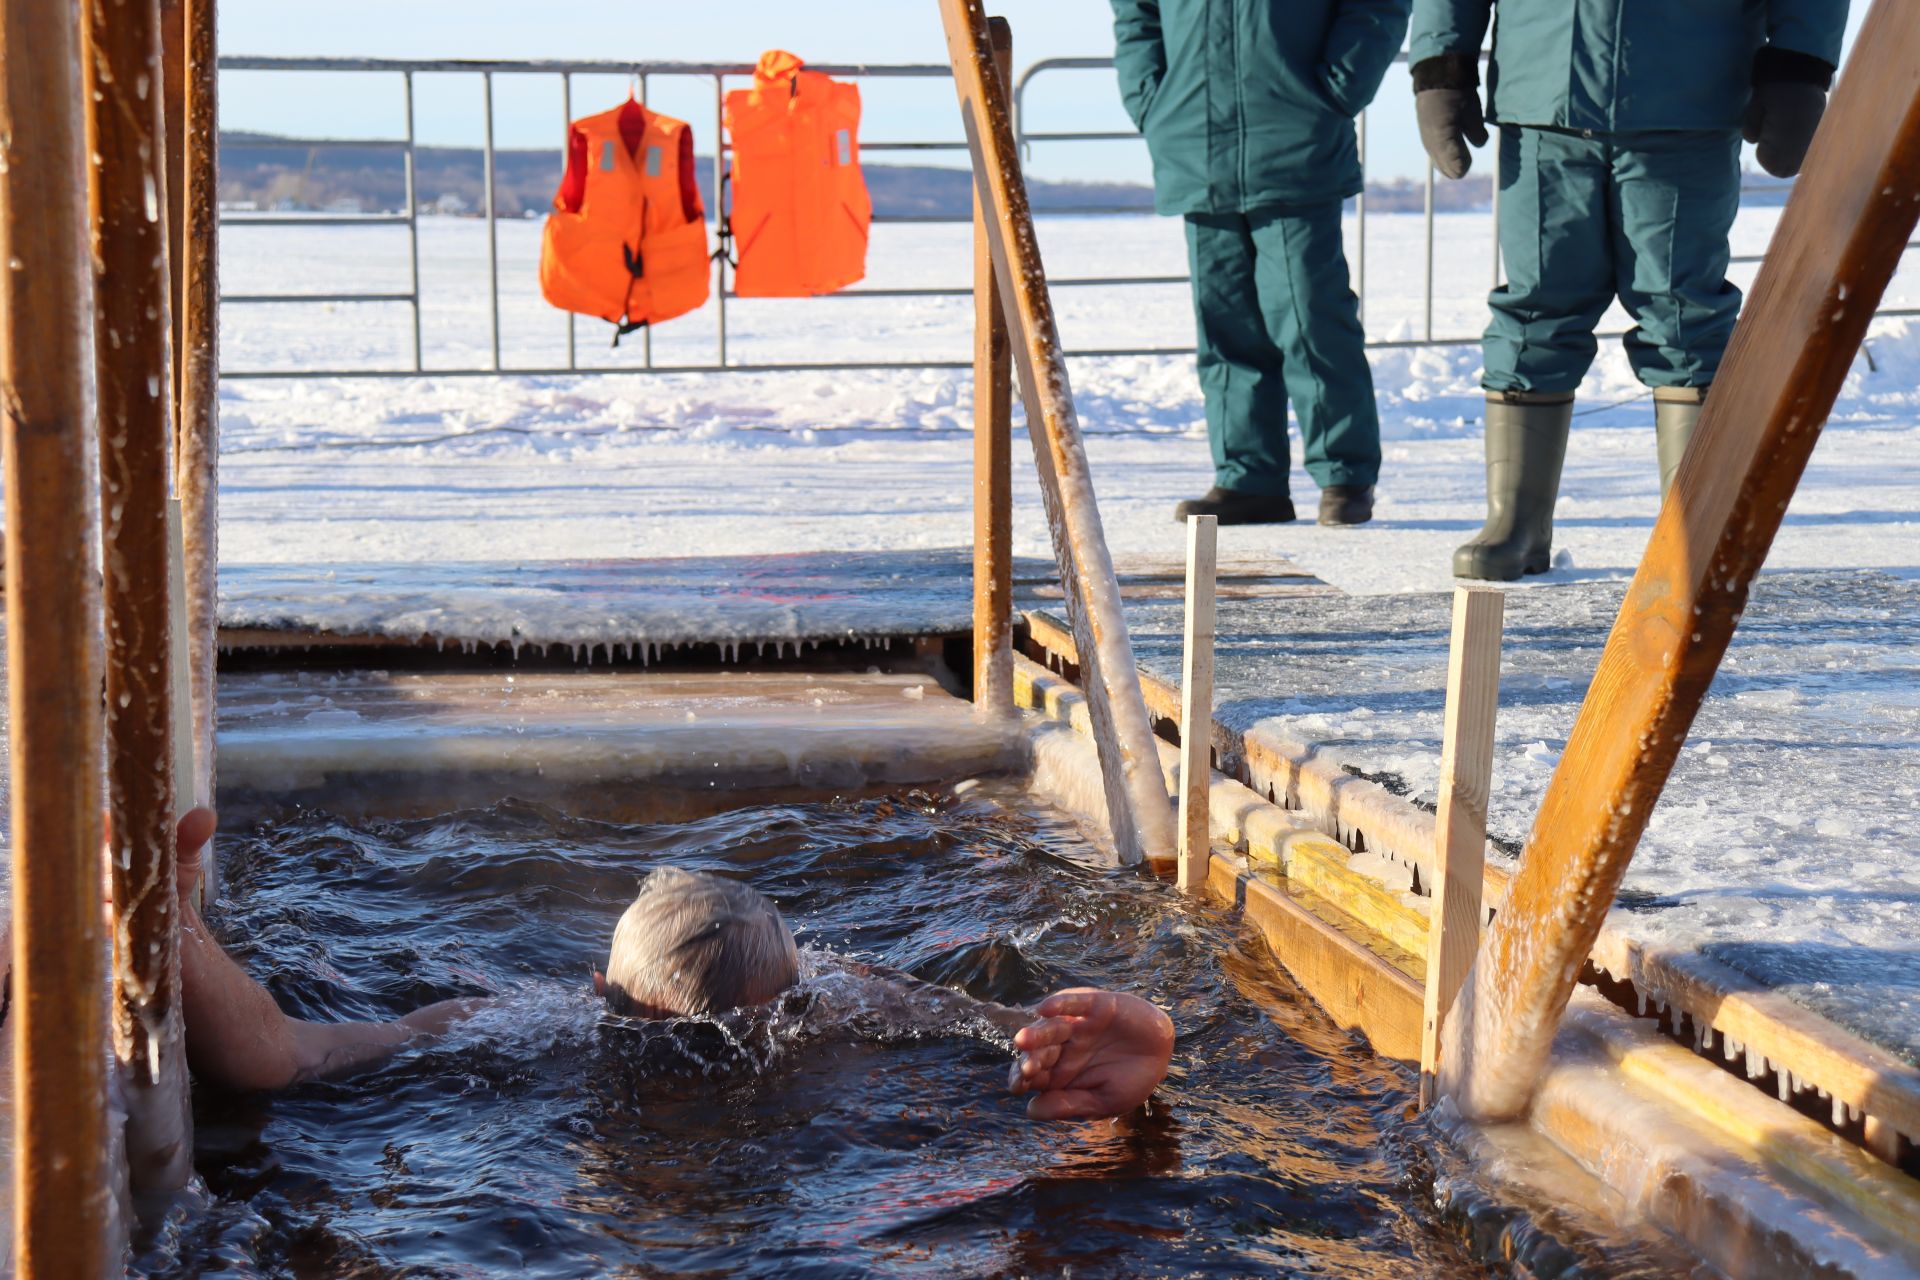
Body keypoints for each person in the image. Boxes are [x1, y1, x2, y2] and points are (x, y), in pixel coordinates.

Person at [163, 810, 1174, 1121]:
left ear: (597, 992)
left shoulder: (526, 1021)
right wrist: (1130, 1053)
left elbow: (281, 1054)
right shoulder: (841, 1006)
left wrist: (166, 918)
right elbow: (1023, 1044)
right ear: (803, 985)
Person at [1410, 0, 1848, 580]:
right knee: (1535, 309)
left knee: (1685, 316)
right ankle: (1514, 523)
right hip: (1544, 97)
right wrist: (1442, 63)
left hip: (1684, 94)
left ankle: (1694, 525)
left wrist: (1799, 67)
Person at [1109, 0, 1413, 528]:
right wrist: (1151, 101)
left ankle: (1344, 474)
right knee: (1226, 325)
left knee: (1310, 315)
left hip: (1296, 136)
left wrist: (1336, 90)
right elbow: (1136, 15)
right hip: (1195, 138)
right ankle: (1248, 479)